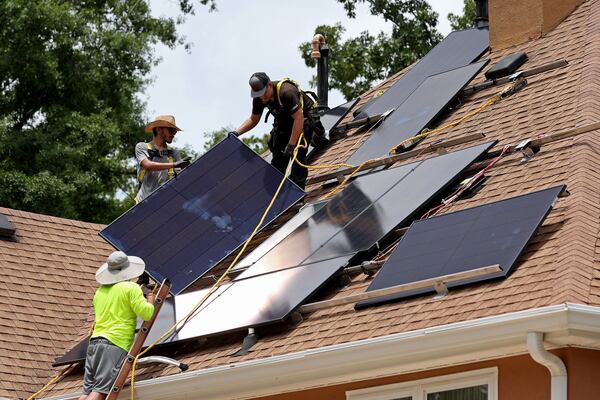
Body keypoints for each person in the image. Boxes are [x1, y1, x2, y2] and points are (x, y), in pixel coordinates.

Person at [78, 251, 155, 400]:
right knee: (100, 392)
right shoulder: (130, 288)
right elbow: (147, 314)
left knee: (86, 393)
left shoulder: (100, 292)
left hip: (94, 344)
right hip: (114, 344)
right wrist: (149, 297)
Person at [231, 72, 325, 190]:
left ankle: (298, 196)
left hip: (303, 119)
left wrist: (291, 145)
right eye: (258, 94)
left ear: (269, 85)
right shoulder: (259, 98)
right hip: (284, 121)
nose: (262, 97)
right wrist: (237, 132)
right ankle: (274, 194)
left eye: (264, 93)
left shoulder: (286, 92)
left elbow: (298, 118)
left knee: (297, 156)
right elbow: (254, 119)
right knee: (277, 156)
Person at [135, 115, 191, 203]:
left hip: (164, 202)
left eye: (175, 131)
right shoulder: (142, 147)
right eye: (170, 130)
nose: (173, 134)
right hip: (144, 202)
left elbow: (180, 177)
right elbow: (148, 165)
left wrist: (183, 170)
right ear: (158, 129)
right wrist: (174, 164)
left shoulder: (173, 153)